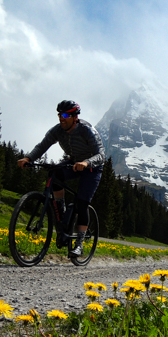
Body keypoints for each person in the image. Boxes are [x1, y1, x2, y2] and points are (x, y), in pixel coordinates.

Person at [18, 100, 105, 257]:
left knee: (82, 203)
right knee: (55, 174)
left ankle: (79, 244)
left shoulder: (87, 130)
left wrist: (86, 162)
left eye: (65, 115)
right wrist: (28, 158)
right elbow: (42, 146)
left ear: (75, 117)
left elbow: (101, 155)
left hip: (92, 167)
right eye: (59, 115)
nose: (61, 118)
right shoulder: (57, 130)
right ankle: (61, 211)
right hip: (73, 163)